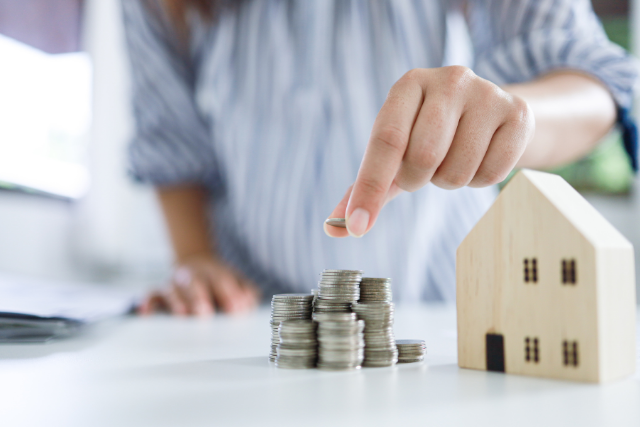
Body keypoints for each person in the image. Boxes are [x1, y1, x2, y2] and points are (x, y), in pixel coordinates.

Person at [123, 0, 638, 316]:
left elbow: (596, 85)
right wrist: (193, 258)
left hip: (448, 306)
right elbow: (172, 140)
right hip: (249, 319)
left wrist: (512, 117)